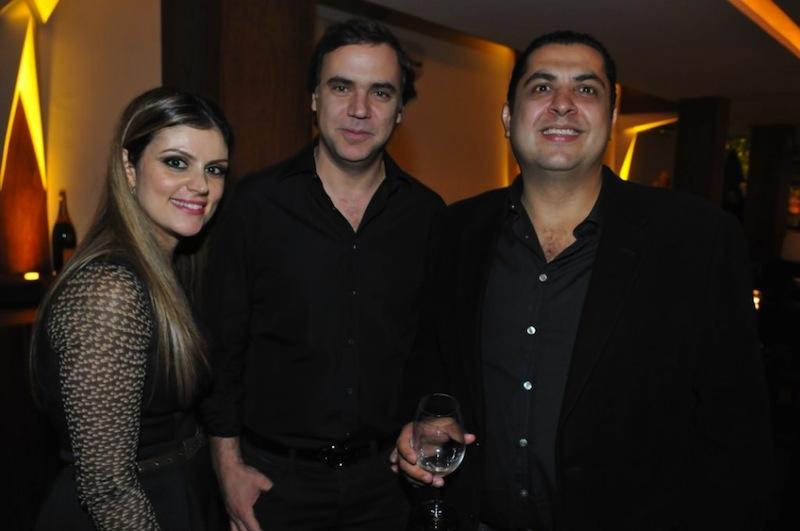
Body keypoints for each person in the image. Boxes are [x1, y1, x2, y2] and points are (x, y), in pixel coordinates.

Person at [394, 31, 774, 530]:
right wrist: (429, 420)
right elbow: (430, 359)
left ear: (611, 120)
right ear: (507, 118)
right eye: (541, 87)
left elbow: (737, 427)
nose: (563, 103)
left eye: (586, 89)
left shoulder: (696, 239)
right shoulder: (455, 230)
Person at [201, 18, 444, 531]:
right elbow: (222, 347)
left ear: (400, 109)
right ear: (314, 98)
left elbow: (432, 346)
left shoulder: (427, 216)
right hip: (274, 484)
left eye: (381, 92)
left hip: (387, 485)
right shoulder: (255, 205)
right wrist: (227, 468)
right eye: (341, 87)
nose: (359, 109)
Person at [31, 87, 232, 530]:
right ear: (129, 167)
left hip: (177, 499)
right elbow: (106, 487)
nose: (201, 186)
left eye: (214, 169)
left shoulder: (170, 269)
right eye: (176, 162)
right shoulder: (109, 290)